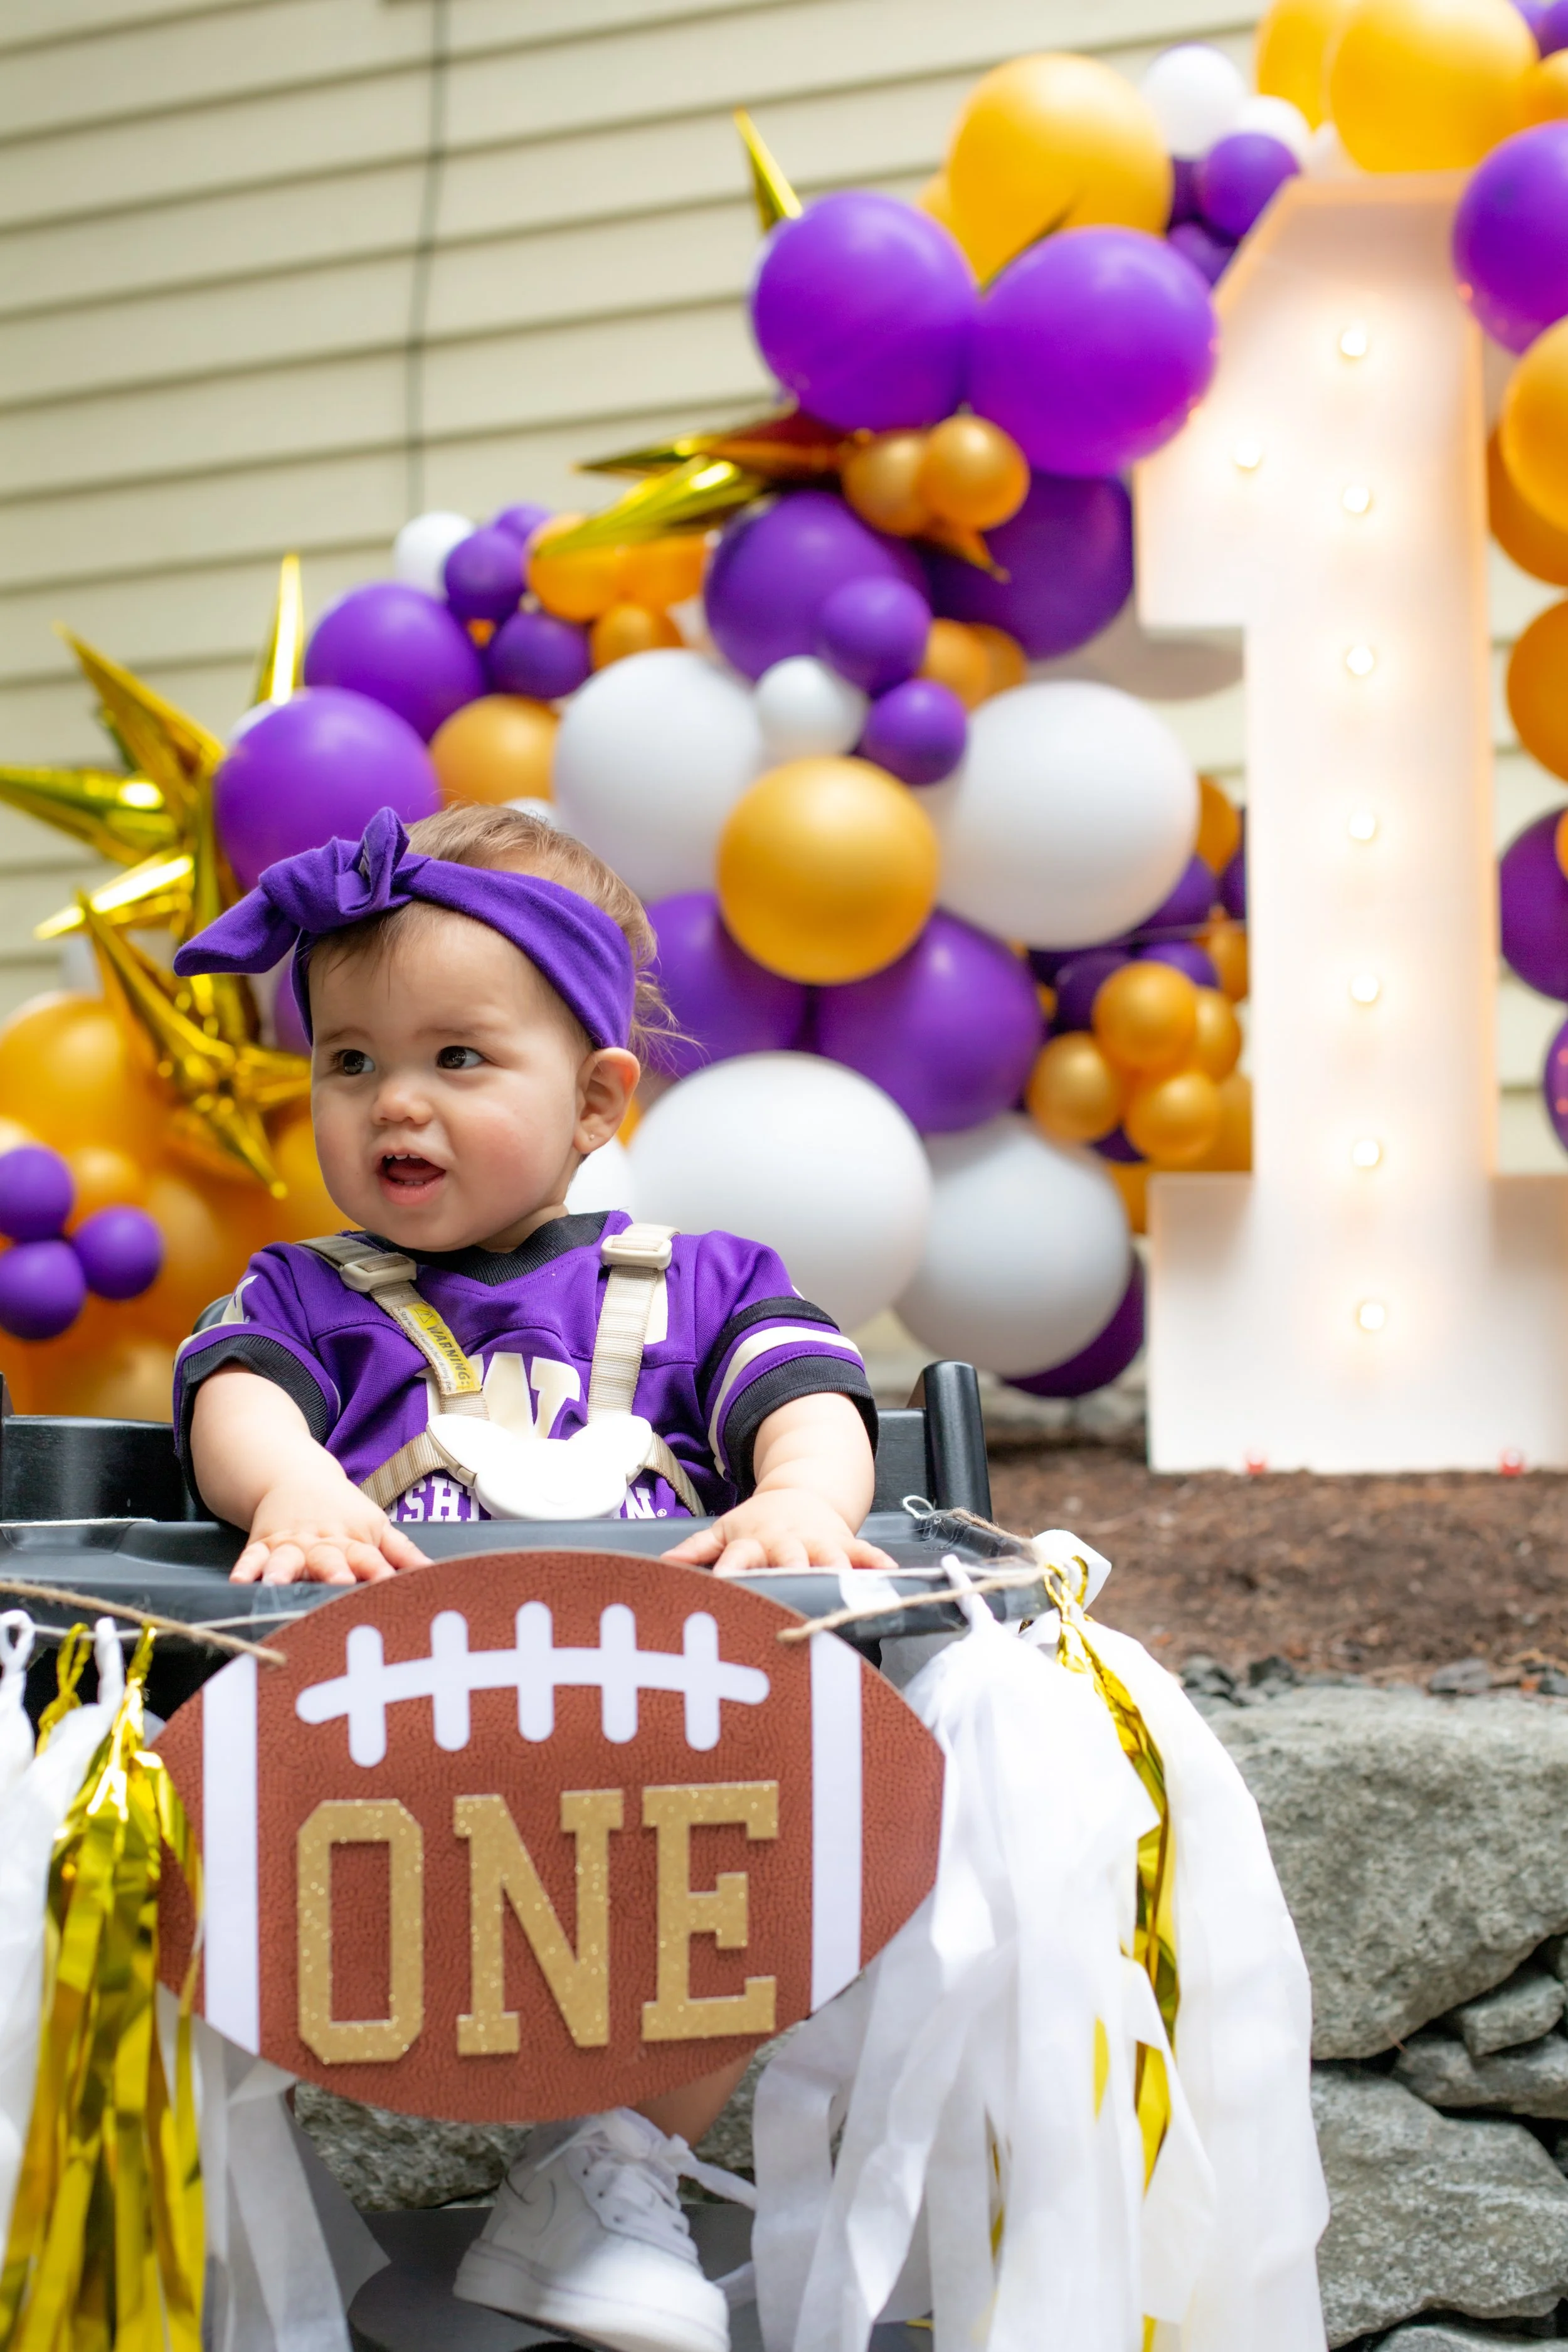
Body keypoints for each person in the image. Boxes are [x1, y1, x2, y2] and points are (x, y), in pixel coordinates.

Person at [172, 800, 898, 2352]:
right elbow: (232, 1392)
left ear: (595, 1099)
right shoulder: (307, 1291)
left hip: (660, 1750)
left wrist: (794, 1501)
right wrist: (293, 1485)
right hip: (385, 1746)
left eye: (457, 1059)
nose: (394, 1105)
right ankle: (236, 2171)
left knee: (799, 1809)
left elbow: (811, 1399)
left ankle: (616, 2163)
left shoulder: (701, 1283)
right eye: (349, 1060)